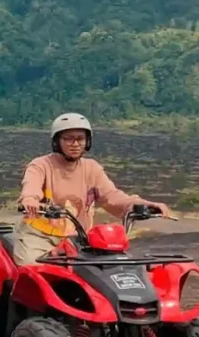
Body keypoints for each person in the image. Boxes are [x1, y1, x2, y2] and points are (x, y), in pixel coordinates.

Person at [14, 112, 171, 265]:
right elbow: (31, 187)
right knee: (33, 270)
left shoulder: (92, 168)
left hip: (79, 239)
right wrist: (30, 200)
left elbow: (112, 196)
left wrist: (142, 205)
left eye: (80, 139)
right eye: (68, 139)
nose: (75, 144)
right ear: (57, 141)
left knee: (110, 270)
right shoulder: (41, 165)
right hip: (41, 237)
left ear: (87, 141)